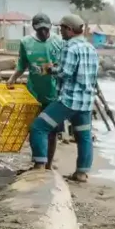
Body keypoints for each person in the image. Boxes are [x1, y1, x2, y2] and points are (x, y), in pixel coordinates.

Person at [27, 14, 99, 182]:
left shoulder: (70, 47)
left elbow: (64, 73)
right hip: (86, 101)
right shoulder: (91, 48)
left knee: (38, 127)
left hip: (69, 100)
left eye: (61, 29)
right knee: (84, 136)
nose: (60, 32)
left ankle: (39, 166)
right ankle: (81, 173)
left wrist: (49, 69)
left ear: (69, 29)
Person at [8, 13, 64, 169]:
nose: (44, 32)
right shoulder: (26, 43)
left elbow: (65, 67)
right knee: (34, 129)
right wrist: (13, 78)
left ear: (51, 27)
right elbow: (22, 65)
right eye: (40, 29)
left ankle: (48, 165)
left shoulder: (59, 42)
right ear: (34, 28)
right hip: (34, 94)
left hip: (54, 95)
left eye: (46, 29)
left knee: (52, 131)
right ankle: (38, 162)